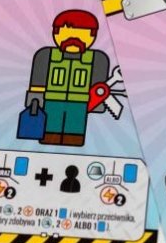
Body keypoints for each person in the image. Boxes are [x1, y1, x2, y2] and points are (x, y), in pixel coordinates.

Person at [25, 9, 110, 147]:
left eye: (83, 35)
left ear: (92, 36)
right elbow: (38, 81)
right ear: (55, 33)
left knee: (74, 132)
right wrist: (35, 99)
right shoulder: (46, 55)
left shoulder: (97, 59)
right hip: (51, 100)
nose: (74, 40)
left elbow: (98, 86)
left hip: (80, 102)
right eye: (66, 33)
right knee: (50, 129)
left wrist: (97, 104)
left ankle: (73, 142)